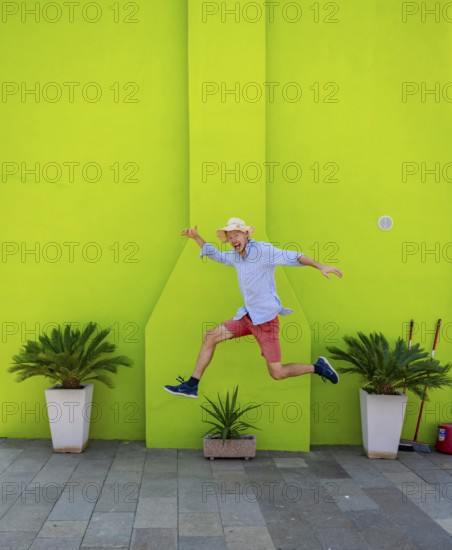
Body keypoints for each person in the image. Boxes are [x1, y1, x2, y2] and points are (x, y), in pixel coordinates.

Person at [164, 217, 343, 399]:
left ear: (246, 234)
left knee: (277, 373)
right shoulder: (235, 257)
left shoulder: (263, 251)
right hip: (247, 317)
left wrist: (320, 266)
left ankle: (319, 367)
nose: (233, 239)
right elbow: (216, 254)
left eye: (236, 234)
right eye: (230, 236)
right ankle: (191, 386)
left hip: (266, 321)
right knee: (210, 337)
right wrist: (196, 238)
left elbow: (294, 256)